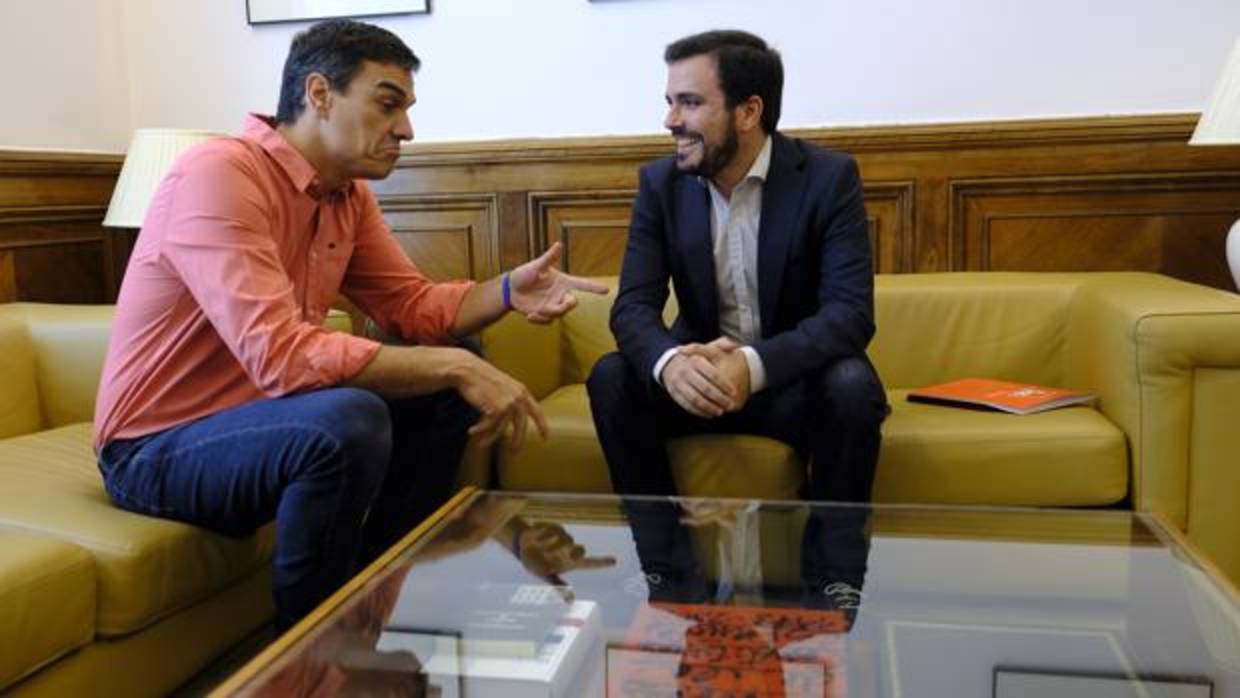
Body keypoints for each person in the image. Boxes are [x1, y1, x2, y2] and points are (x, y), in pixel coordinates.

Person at [93, 19, 606, 632]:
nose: (406, 129)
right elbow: (281, 357)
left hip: (264, 421)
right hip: (153, 450)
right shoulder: (219, 173)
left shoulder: (345, 195)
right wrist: (456, 366)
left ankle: (376, 594)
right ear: (319, 94)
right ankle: (310, 649)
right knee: (351, 419)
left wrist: (504, 291)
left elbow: (411, 305)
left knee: (443, 381)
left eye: (407, 110)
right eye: (388, 105)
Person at [587, 29, 888, 506]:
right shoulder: (660, 185)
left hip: (788, 382)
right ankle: (661, 549)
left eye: (689, 103)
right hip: (697, 384)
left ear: (748, 112)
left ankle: (835, 556)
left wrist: (751, 366)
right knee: (612, 376)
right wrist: (671, 365)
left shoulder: (827, 179)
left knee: (852, 385)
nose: (670, 120)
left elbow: (849, 315)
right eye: (670, 102)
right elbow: (632, 309)